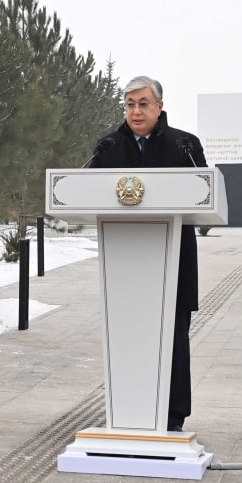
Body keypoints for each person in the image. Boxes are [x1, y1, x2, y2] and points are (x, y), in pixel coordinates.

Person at [88, 75, 207, 432]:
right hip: (125, 265)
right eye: (129, 104)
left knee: (172, 338)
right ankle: (127, 414)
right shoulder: (108, 147)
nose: (135, 111)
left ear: (159, 106)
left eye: (143, 103)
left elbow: (204, 192)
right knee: (128, 336)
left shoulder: (184, 144)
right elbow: (88, 188)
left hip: (172, 260)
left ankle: (171, 418)